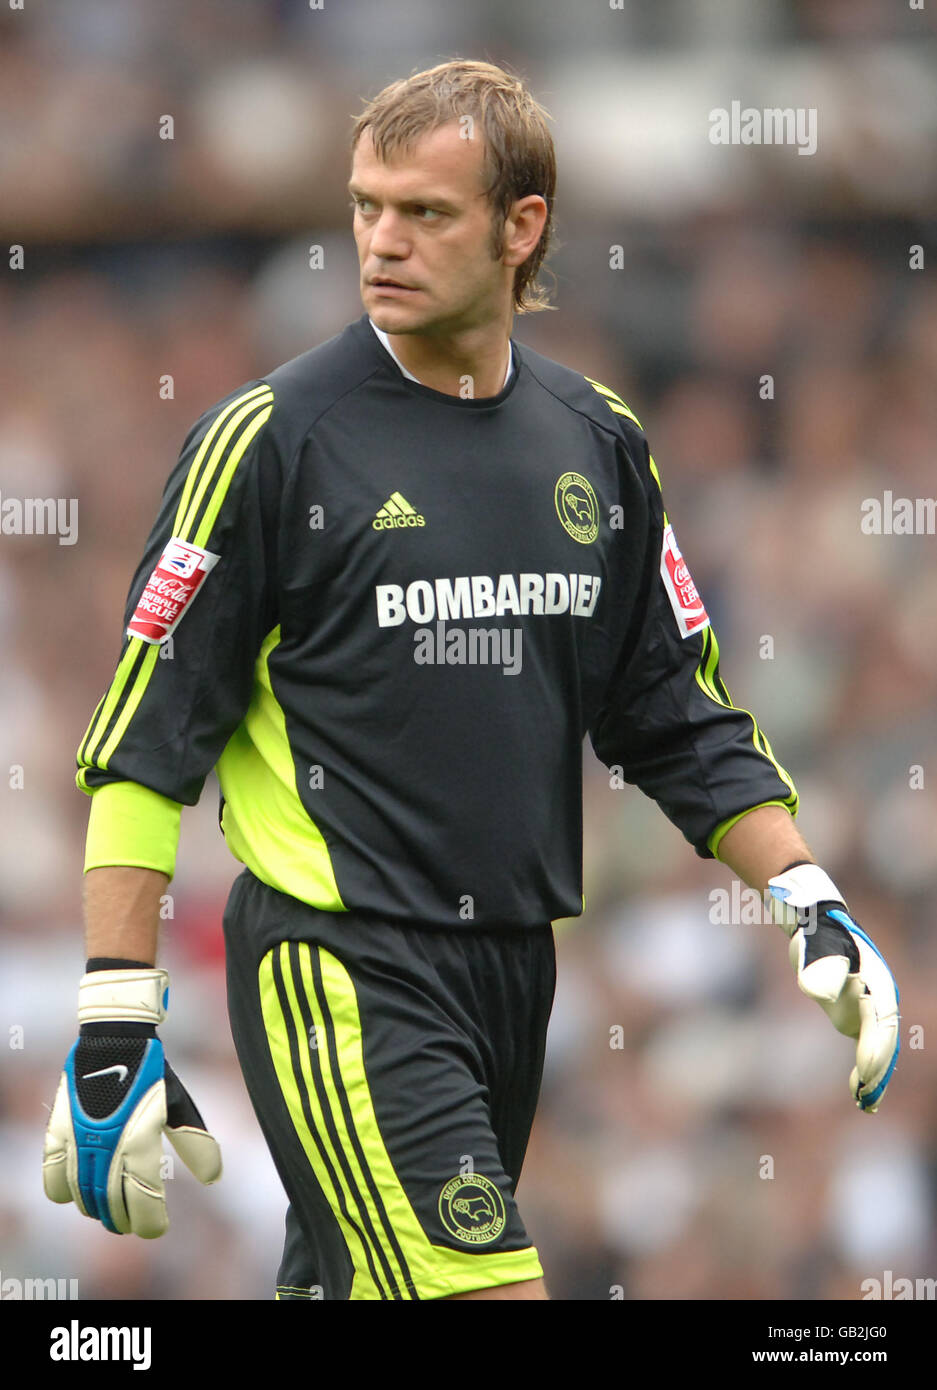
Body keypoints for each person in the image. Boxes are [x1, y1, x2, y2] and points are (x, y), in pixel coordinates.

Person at [42, 58, 899, 1302]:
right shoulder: (269, 443)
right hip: (340, 969)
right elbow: (143, 741)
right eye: (365, 206)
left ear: (521, 227)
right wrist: (116, 1012)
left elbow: (671, 709)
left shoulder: (597, 441)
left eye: (424, 213)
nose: (380, 242)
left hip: (511, 976)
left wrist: (807, 893)